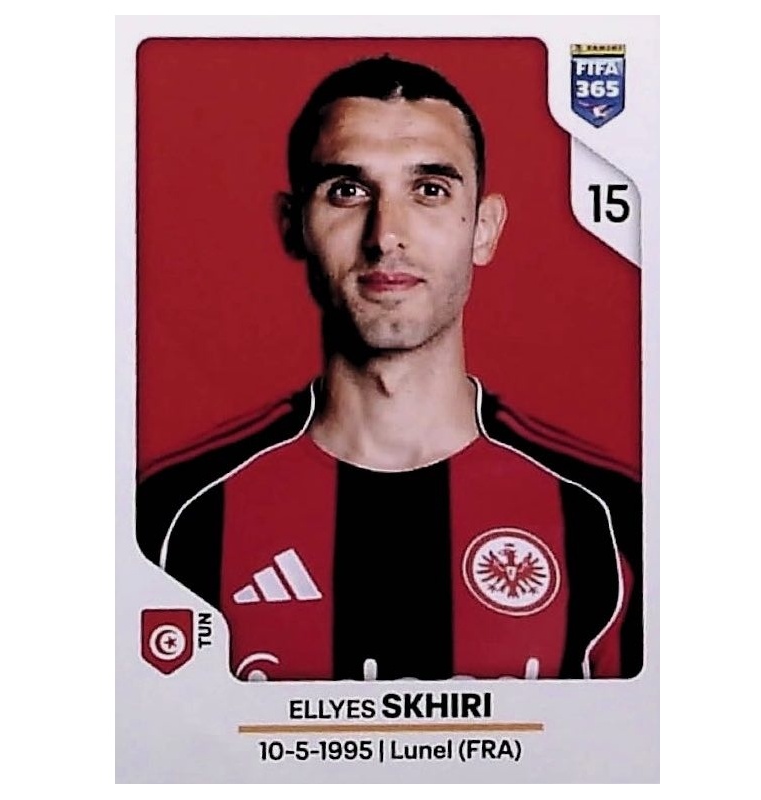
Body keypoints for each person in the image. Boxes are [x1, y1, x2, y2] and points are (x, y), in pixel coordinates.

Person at [137, 55, 642, 682]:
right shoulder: (170, 517)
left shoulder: (610, 517)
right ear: (294, 226)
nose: (386, 235)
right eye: (347, 191)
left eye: (429, 190)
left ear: (484, 230)